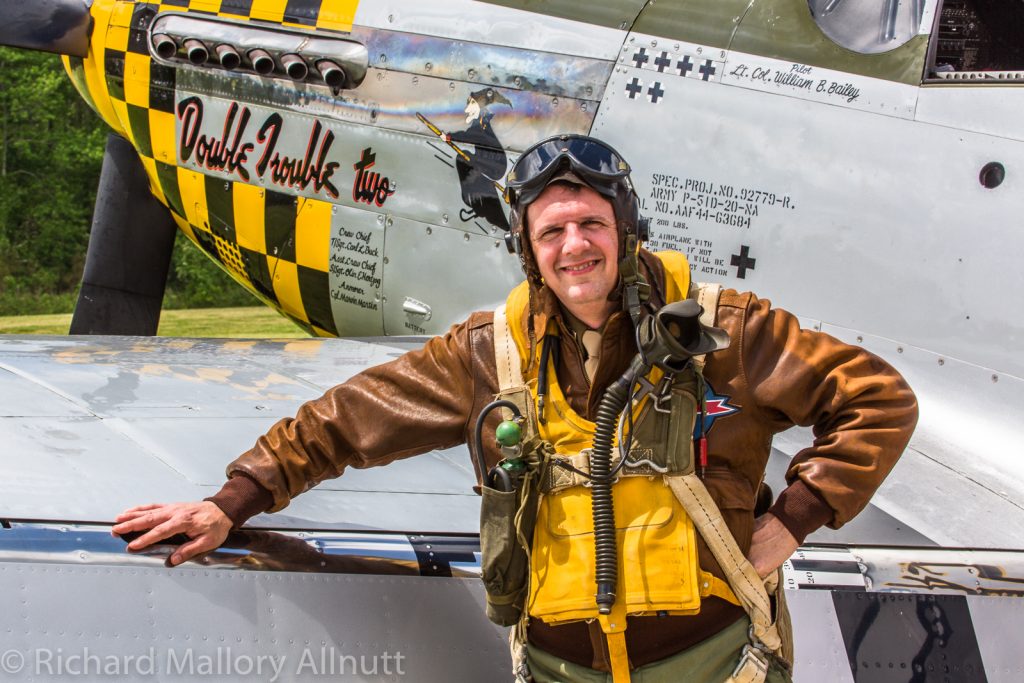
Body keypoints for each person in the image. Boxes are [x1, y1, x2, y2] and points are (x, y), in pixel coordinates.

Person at [113, 134, 917, 682]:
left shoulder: (722, 330)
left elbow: (877, 399)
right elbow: (342, 422)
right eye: (553, 230)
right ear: (529, 250)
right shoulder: (488, 353)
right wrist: (231, 501)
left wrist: (793, 520)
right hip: (560, 668)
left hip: (715, 665)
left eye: (592, 223)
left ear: (625, 230)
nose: (576, 245)